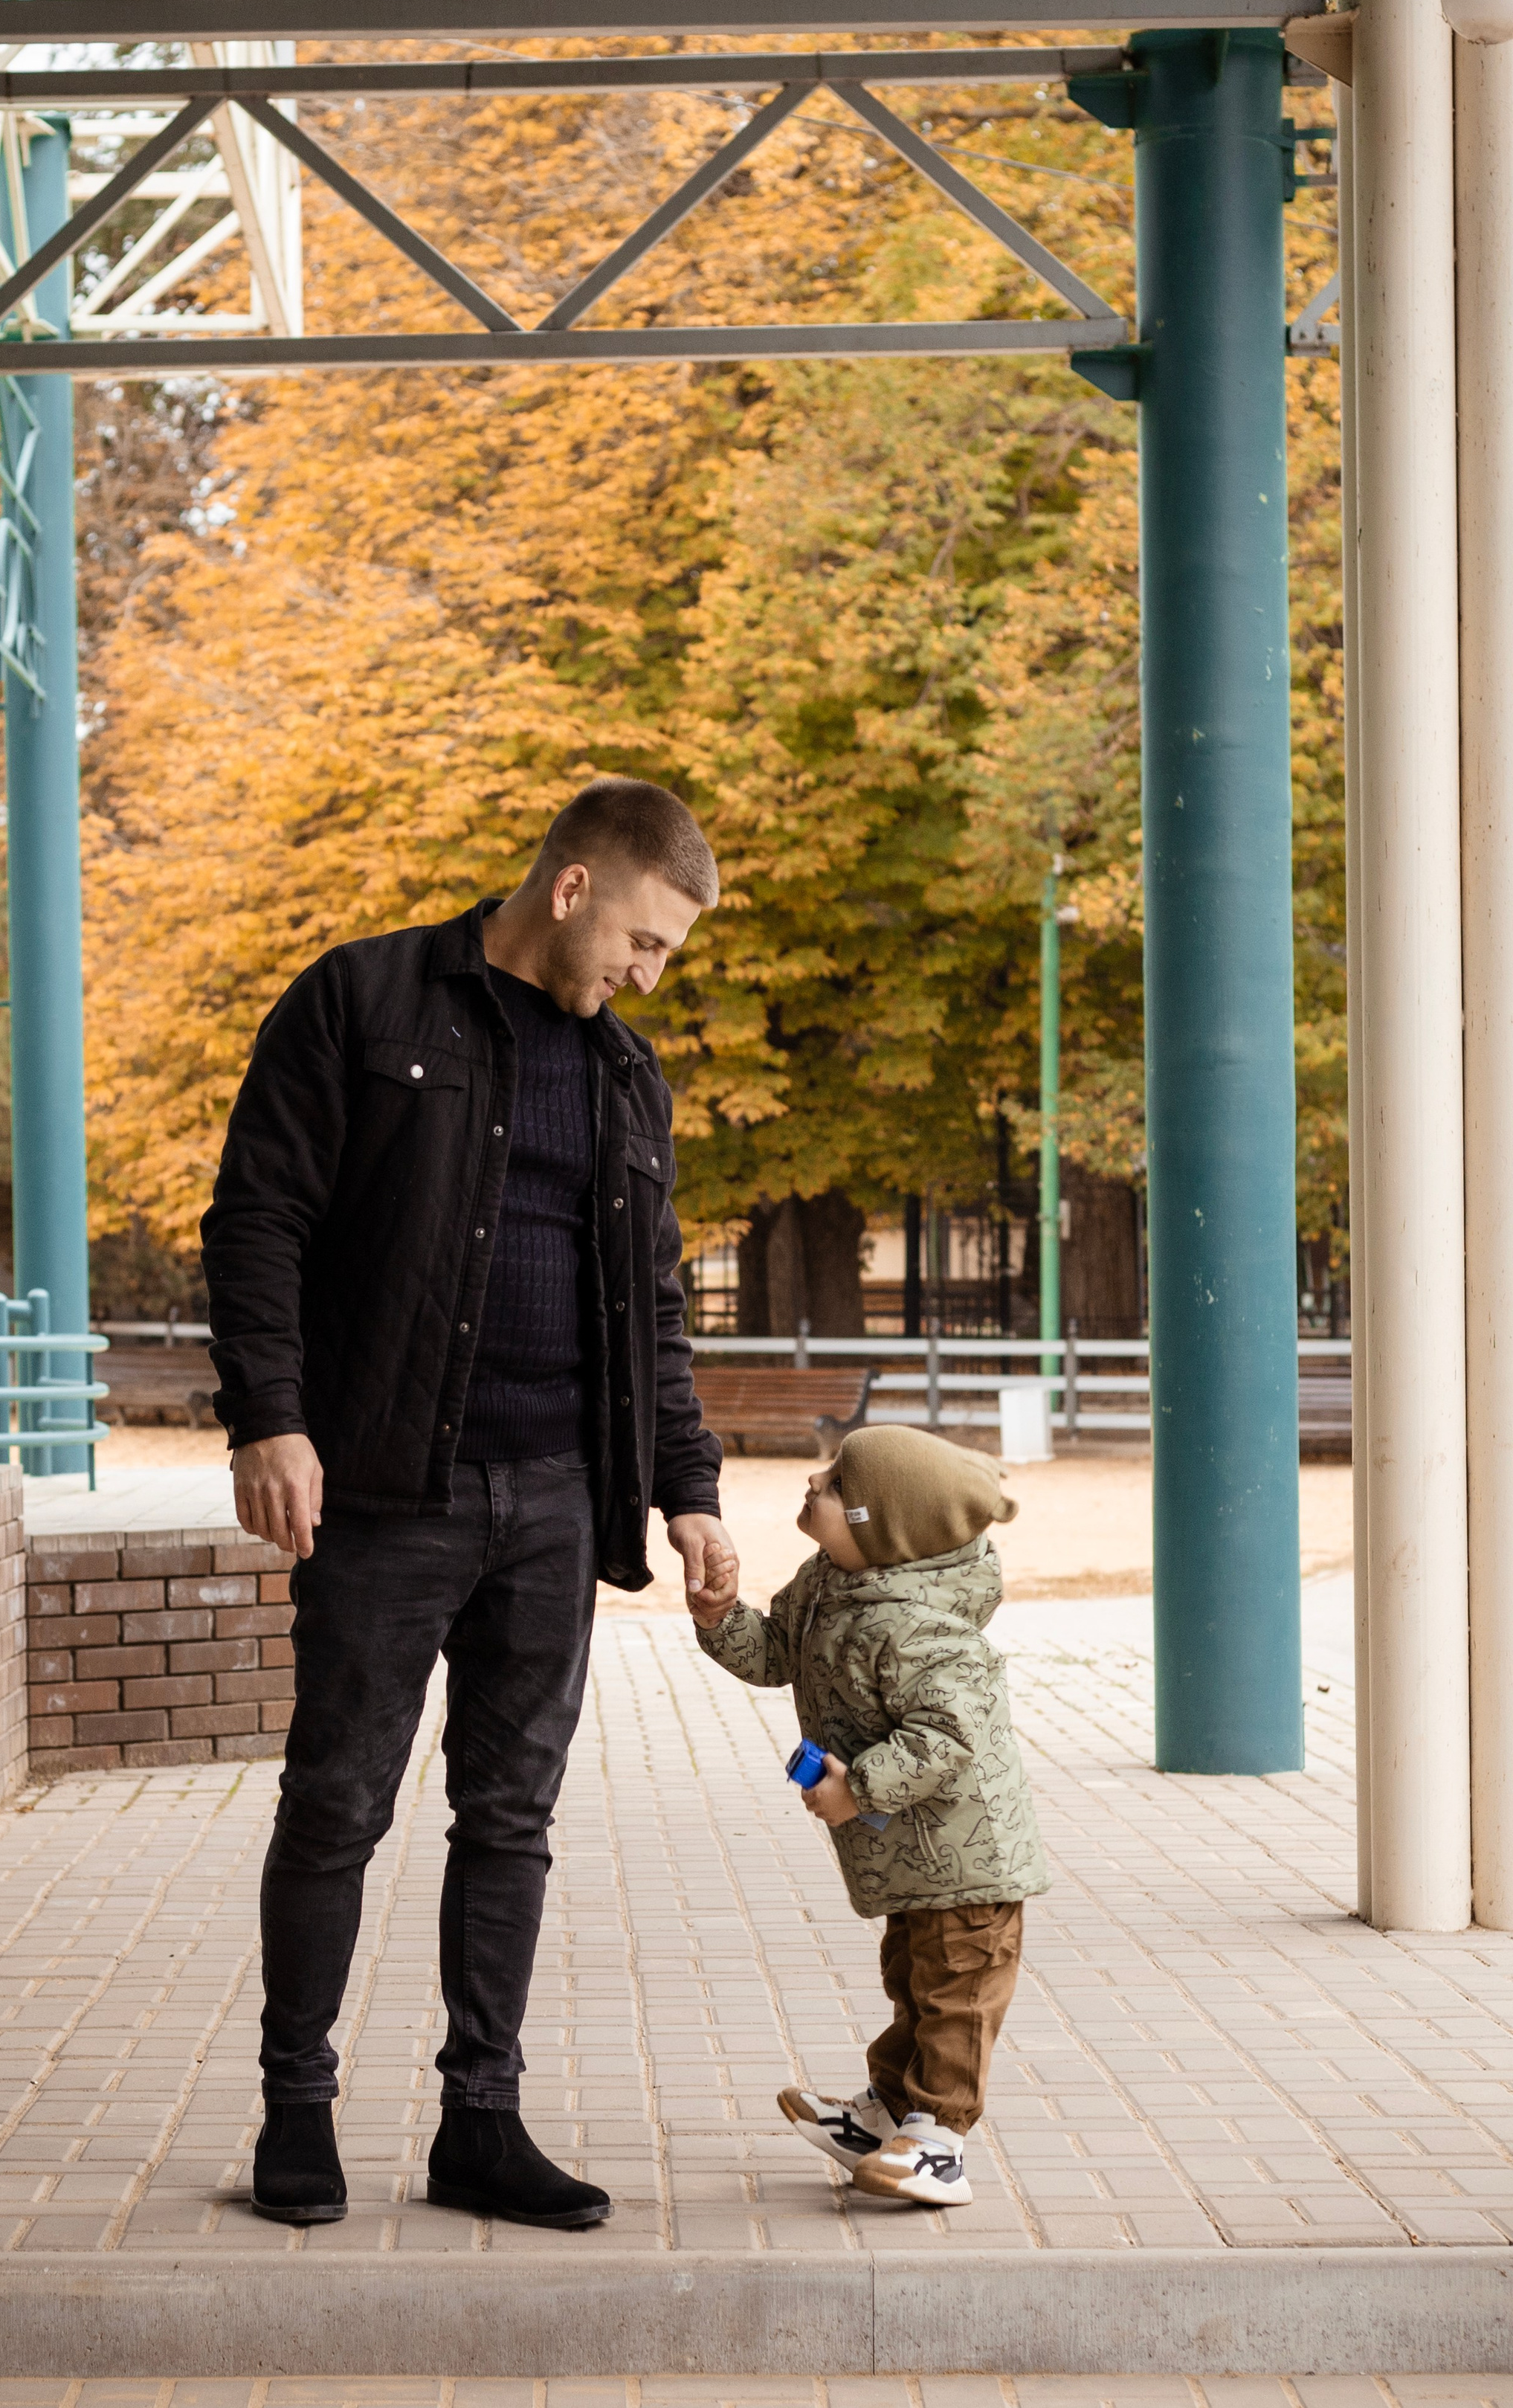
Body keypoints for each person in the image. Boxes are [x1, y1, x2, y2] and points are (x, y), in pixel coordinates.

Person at [201, 776, 737, 2232]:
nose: (643, 977)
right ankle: (294, 2109)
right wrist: (270, 1414)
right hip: (383, 1485)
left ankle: (477, 2123)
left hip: (558, 1497)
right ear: (570, 888)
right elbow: (258, 1215)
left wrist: (683, 1487)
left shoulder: (627, 1078)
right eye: (640, 943)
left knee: (510, 1814)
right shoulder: (362, 1002)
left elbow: (654, 1306)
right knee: (336, 1803)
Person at [687, 1423, 1047, 2209]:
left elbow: (948, 1735)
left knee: (956, 1994)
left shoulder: (923, 1627)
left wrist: (861, 1785)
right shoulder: (828, 1580)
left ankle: (940, 2142)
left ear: (874, 1528)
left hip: (968, 1858)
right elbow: (777, 1651)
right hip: (913, 1858)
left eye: (837, 1482)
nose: (814, 1481)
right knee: (912, 1983)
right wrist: (720, 1617)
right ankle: (884, 2115)